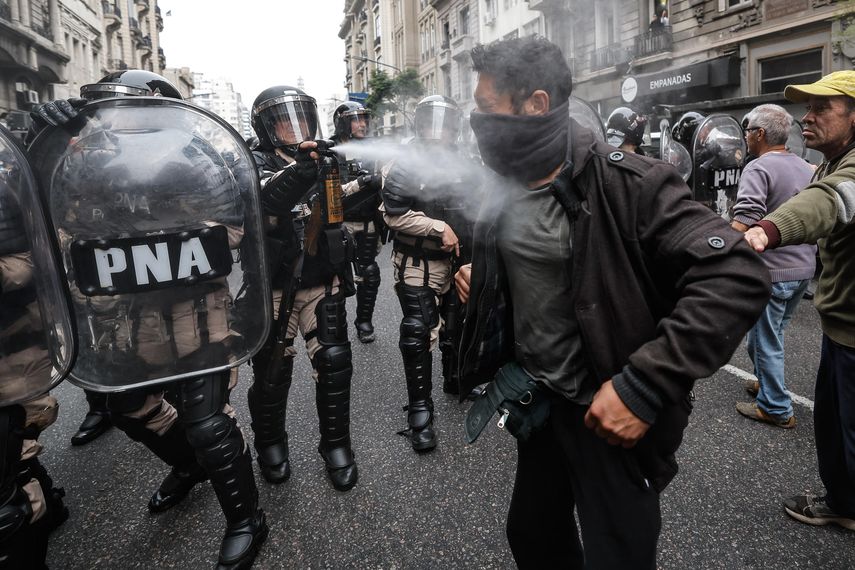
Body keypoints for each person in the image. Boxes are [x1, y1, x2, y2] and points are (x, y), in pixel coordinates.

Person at [456, 36, 770, 566]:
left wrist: (644, 385)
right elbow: (533, 257)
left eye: (486, 109)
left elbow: (737, 272)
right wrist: (483, 275)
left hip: (606, 409)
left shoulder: (631, 184)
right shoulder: (501, 182)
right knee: (532, 534)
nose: (476, 122)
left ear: (535, 105)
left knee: (619, 551)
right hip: (540, 400)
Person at [28, 70, 269, 568]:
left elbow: (230, 235)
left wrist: (142, 238)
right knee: (130, 409)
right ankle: (189, 466)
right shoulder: (85, 161)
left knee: (208, 423)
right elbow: (57, 228)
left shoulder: (197, 160)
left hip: (196, 311)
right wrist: (44, 146)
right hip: (127, 314)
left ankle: (246, 519)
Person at [744, 70, 855, 532]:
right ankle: (843, 501)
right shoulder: (824, 163)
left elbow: (829, 202)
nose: (805, 118)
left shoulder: (846, 173)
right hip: (837, 318)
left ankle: (847, 506)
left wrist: (765, 230)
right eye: (806, 108)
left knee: (846, 430)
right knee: (832, 422)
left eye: (821, 108)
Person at [247, 85, 358, 491]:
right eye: (282, 120)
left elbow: (338, 210)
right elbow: (267, 197)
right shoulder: (252, 160)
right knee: (273, 373)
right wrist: (302, 171)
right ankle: (271, 443)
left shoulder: (323, 160)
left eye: (300, 118)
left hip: (321, 281)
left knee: (334, 362)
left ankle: (336, 444)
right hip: (275, 287)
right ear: (265, 126)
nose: (294, 128)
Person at [380, 95, 477, 451]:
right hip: (418, 264)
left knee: (458, 325)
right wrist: (436, 228)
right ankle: (420, 411)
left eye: (444, 123)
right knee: (419, 332)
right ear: (418, 126)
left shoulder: (464, 162)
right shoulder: (401, 165)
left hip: (457, 261)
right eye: (430, 123)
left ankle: (456, 379)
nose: (437, 132)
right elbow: (392, 214)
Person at [0, 126, 72, 568]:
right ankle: (44, 501)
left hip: (12, 343)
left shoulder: (5, 184)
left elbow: (38, 248)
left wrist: (47, 140)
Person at [730, 104, 816, 429]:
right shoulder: (807, 168)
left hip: (773, 272)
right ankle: (767, 382)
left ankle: (776, 408)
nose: (746, 137)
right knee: (769, 335)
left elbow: (747, 218)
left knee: (765, 339)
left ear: (760, 134)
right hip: (803, 271)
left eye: (748, 130)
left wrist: (713, 246)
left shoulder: (757, 167)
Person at [331, 101, 384, 343]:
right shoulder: (330, 151)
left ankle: (364, 321)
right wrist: (361, 183)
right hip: (340, 225)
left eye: (364, 119)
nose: (362, 124)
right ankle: (336, 326)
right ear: (343, 123)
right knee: (335, 279)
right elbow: (329, 193)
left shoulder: (374, 150)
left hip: (368, 223)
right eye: (356, 119)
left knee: (369, 274)